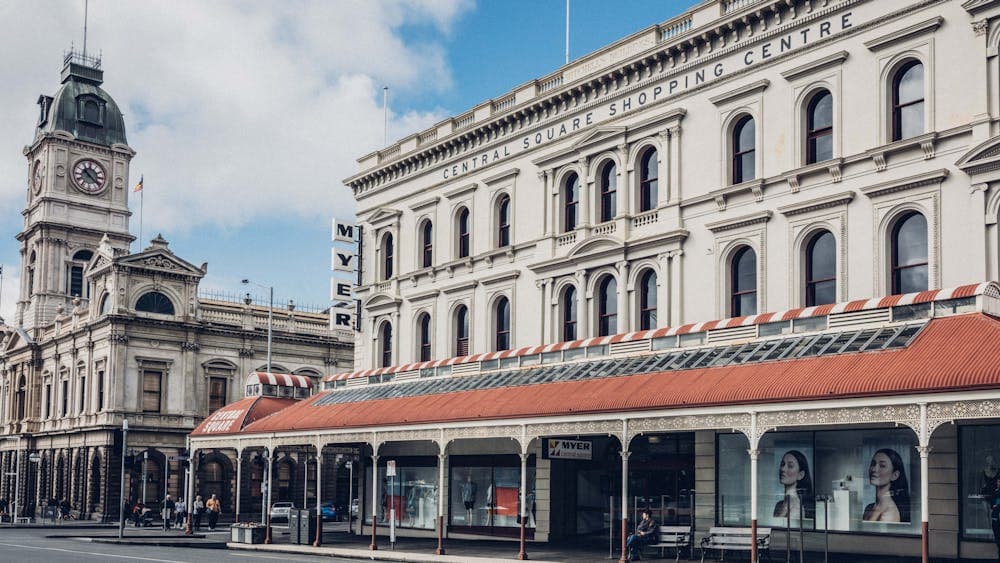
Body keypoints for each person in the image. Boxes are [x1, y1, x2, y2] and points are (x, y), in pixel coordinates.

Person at [863, 448, 911, 523]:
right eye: (873, 464)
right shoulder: (869, 508)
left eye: (882, 466)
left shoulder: (890, 512)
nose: (874, 469)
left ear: (895, 475)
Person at [773, 450, 815, 520]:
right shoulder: (779, 505)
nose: (783, 469)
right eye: (782, 464)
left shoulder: (796, 506)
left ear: (800, 475)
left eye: (790, 466)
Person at [988, 474, 1000, 562]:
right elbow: (992, 505)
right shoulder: (995, 492)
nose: (999, 483)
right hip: (996, 518)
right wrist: (995, 506)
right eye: (998, 481)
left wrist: (997, 506)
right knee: (997, 538)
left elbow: (996, 505)